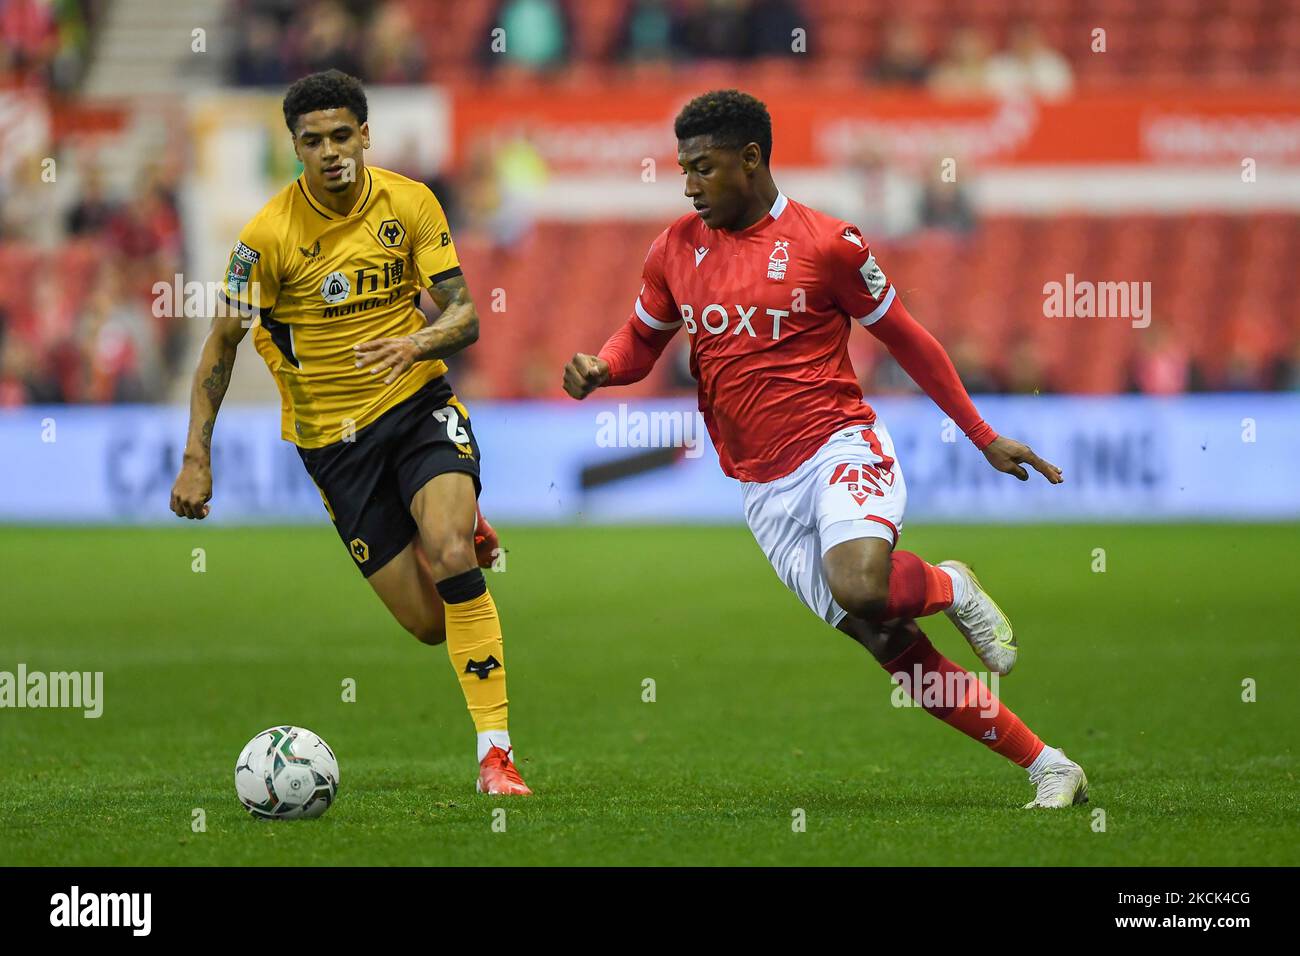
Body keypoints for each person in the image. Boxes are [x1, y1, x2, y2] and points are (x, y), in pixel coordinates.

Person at [563, 90, 1087, 808]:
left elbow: (909, 339)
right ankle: (1049, 764)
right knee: (888, 644)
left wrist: (983, 435)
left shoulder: (827, 244)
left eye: (702, 168)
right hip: (761, 486)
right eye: (682, 169)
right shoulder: (674, 249)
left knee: (863, 585)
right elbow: (641, 342)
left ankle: (951, 585)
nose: (688, 185)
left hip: (840, 444)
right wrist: (602, 366)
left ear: (751, 159)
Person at [170, 70, 530, 796]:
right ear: (294, 147)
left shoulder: (411, 203)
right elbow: (221, 347)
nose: (330, 151)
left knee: (453, 553)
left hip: (417, 403)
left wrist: (418, 344)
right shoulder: (266, 238)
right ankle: (453, 523)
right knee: (430, 625)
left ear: (365, 135)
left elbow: (464, 312)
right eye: (313, 141)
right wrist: (195, 459)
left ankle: (497, 756)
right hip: (334, 446)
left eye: (342, 135)